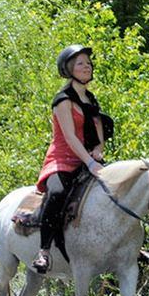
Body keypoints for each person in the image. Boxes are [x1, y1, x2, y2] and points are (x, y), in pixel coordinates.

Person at [32, 45, 106, 274]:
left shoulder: (91, 99)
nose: (87, 66)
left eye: (88, 62)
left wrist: (98, 150)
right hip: (63, 159)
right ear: (68, 69)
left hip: (87, 159)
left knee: (118, 188)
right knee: (55, 193)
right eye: (80, 63)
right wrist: (91, 162)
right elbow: (70, 137)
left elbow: (99, 132)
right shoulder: (62, 100)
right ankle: (43, 251)